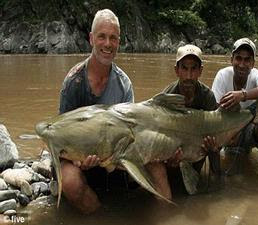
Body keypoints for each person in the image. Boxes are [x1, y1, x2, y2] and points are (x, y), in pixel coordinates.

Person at [58, 9, 134, 214]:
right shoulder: (74, 82)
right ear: (91, 39)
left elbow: (129, 134)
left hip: (113, 156)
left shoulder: (124, 84)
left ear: (118, 42)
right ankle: (100, 216)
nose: (108, 44)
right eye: (102, 36)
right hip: (77, 158)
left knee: (152, 164)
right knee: (71, 182)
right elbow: (61, 136)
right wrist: (77, 159)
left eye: (113, 38)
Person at [149, 44, 221, 199]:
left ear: (200, 71)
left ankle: (214, 181)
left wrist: (214, 148)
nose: (189, 76)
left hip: (199, 148)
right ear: (177, 70)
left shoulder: (207, 97)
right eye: (184, 68)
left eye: (193, 69)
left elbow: (216, 130)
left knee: (215, 157)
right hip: (175, 149)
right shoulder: (167, 96)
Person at [211, 37, 258, 177]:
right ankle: (216, 178)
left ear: (252, 63)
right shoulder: (222, 75)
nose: (242, 64)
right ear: (231, 59)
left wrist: (242, 95)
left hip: (249, 127)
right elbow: (215, 111)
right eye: (238, 58)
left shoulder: (257, 75)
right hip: (226, 127)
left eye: (247, 60)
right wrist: (230, 131)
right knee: (211, 135)